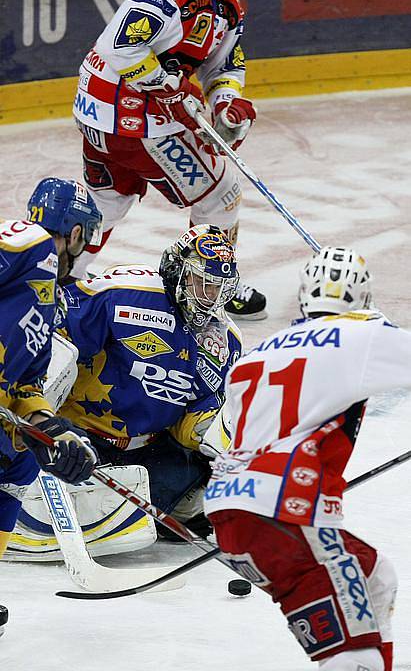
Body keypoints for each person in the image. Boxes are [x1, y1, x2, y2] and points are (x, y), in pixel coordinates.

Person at [204, 246, 407, 671]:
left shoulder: (258, 352)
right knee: (352, 651)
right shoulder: (361, 334)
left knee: (374, 576)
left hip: (230, 510)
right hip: (282, 510)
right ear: (363, 296)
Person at [72, 0, 266, 321]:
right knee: (222, 192)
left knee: (108, 196)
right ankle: (213, 281)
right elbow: (121, 47)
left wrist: (226, 101)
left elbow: (224, 65)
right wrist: (170, 90)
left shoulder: (229, 3)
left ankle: (62, 279)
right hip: (130, 114)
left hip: (100, 114)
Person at [11, 224, 242, 555]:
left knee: (211, 475)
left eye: (218, 288)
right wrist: (39, 415)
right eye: (202, 282)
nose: (209, 297)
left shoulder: (224, 343)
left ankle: (131, 512)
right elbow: (52, 329)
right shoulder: (124, 294)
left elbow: (193, 424)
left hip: (143, 455)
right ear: (176, 269)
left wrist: (225, 444)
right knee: (56, 358)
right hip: (77, 437)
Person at [0, 177, 102, 633]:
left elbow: (25, 387)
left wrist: (50, 433)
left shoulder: (52, 300)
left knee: (17, 465)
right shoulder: (31, 244)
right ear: (76, 233)